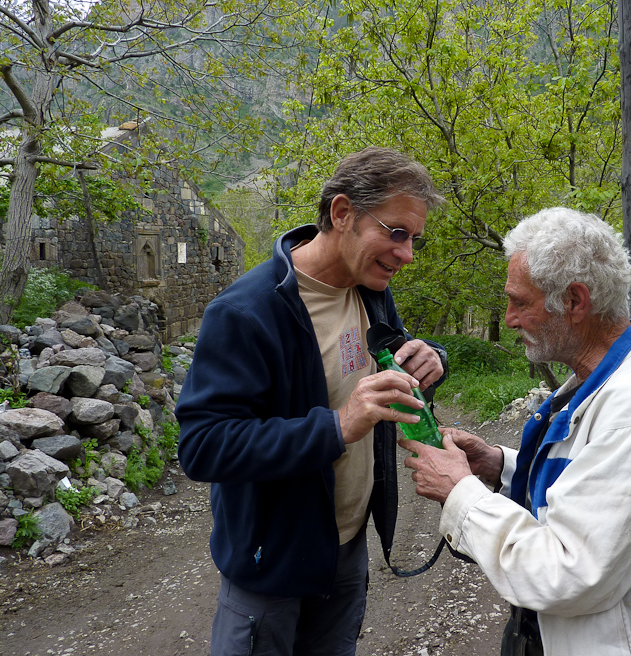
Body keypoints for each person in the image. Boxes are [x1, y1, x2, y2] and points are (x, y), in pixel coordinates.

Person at [400, 207, 631, 656]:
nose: (508, 318)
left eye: (520, 302)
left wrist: (459, 492)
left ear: (574, 301)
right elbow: (588, 481)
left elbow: (567, 572)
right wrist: (497, 464)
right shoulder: (604, 379)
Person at [175, 146, 448, 656]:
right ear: (342, 213)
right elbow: (203, 446)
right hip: (270, 564)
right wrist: (338, 426)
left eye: (414, 239)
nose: (406, 254)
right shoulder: (245, 312)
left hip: (346, 550)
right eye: (395, 233)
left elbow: (385, 357)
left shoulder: (370, 288)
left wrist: (431, 357)